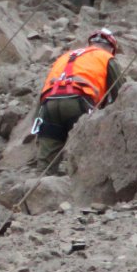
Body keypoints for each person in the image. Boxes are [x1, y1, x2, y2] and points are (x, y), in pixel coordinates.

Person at [33, 28, 123, 172]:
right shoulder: (106, 57)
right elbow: (121, 92)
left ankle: (43, 179)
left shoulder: (65, 56)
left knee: (46, 163)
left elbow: (45, 88)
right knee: (86, 152)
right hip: (78, 102)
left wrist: (37, 120)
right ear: (111, 48)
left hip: (49, 103)